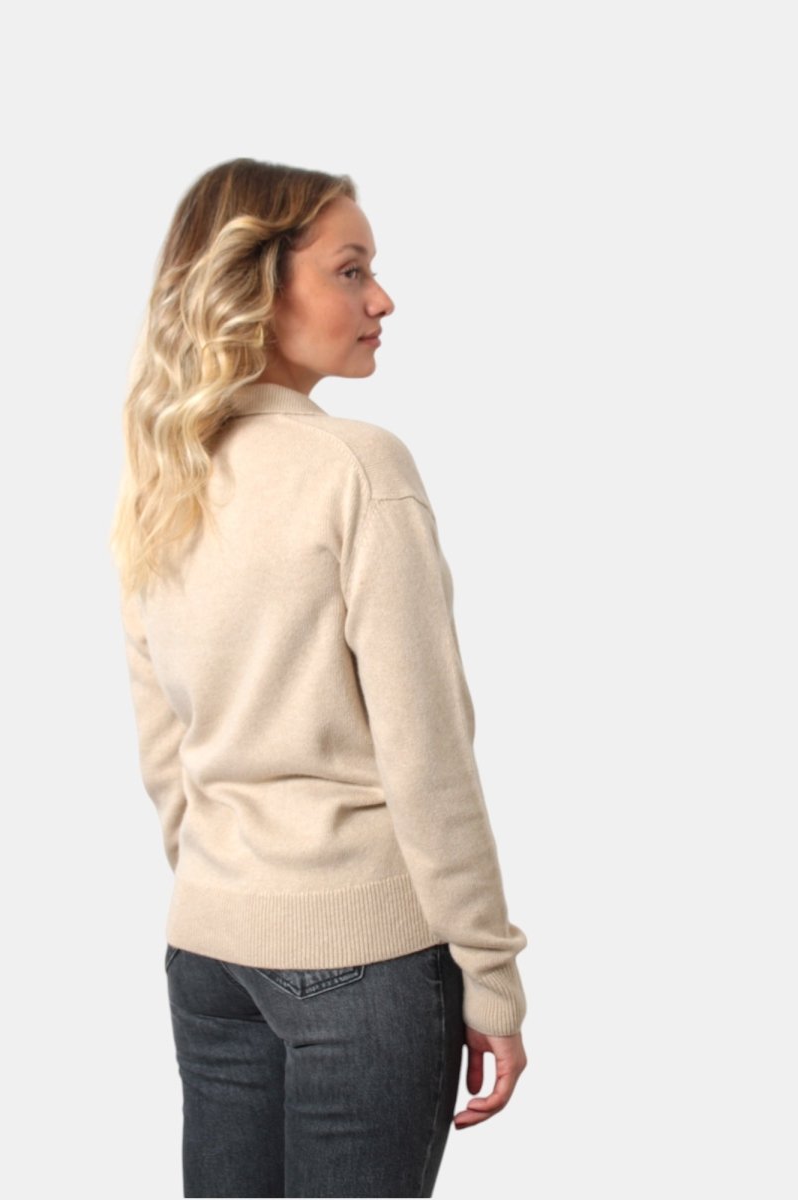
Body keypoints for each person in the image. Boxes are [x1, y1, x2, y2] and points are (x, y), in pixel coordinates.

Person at [110, 157, 529, 1198]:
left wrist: (229, 886)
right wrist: (491, 975)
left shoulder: (164, 476)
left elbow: (164, 743)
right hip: (361, 959)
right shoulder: (357, 467)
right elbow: (427, 752)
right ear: (257, 286)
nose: (381, 299)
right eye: (351, 271)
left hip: (208, 953)